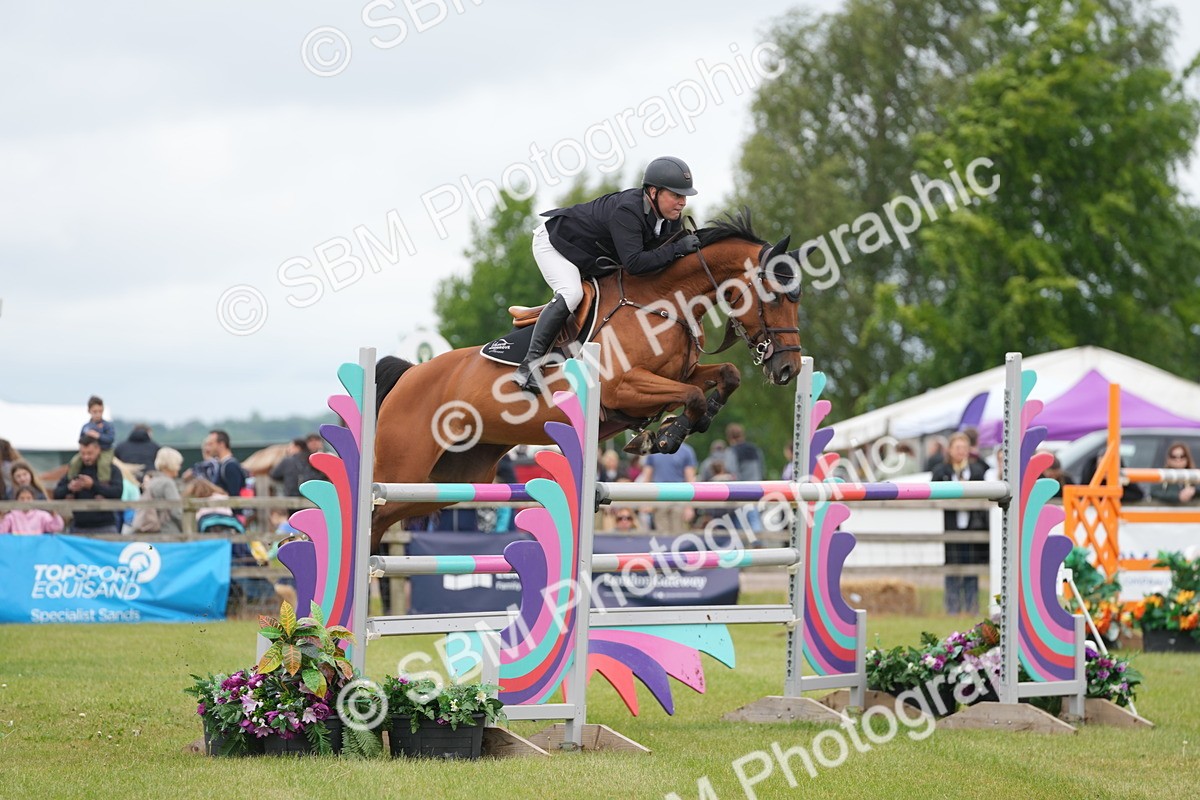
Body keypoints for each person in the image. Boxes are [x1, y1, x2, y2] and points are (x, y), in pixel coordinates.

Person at [513, 156, 701, 393]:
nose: (682, 202)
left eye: (684, 196)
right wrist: (676, 250)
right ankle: (529, 365)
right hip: (555, 244)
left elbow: (659, 255)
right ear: (653, 192)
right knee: (571, 293)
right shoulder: (628, 211)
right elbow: (634, 263)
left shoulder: (668, 219)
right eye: (676, 195)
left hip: (590, 256)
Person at [932, 432, 988, 615]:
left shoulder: (977, 471)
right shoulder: (941, 472)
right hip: (951, 526)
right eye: (957, 447)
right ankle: (953, 608)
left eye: (964, 448)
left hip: (973, 526)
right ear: (949, 449)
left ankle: (972, 607)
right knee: (952, 565)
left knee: (971, 567)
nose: (961, 451)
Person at [54, 437, 125, 532]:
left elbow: (118, 492)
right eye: (83, 453)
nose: (86, 457)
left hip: (104, 526)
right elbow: (57, 493)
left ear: (98, 449)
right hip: (78, 526)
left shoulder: (111, 470)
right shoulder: (74, 470)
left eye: (89, 453)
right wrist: (70, 488)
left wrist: (93, 486)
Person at [639, 443, 698, 535]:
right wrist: (646, 503)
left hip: (679, 500)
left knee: (679, 535)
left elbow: (690, 480)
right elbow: (646, 478)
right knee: (662, 536)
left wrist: (689, 507)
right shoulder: (653, 450)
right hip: (660, 499)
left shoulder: (686, 451)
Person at [133, 447, 184, 533]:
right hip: (168, 531)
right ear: (172, 464)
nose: (179, 467)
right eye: (178, 464)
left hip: (153, 530)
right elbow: (177, 512)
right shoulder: (168, 483)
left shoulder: (153, 481)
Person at [77, 395, 116, 479]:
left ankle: (104, 482)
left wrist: (98, 435)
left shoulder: (107, 425)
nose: (98, 414)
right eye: (95, 412)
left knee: (103, 464)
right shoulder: (86, 427)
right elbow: (80, 440)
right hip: (89, 452)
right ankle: (72, 479)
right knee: (75, 462)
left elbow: (111, 439)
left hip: (105, 451)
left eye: (100, 411)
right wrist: (87, 437)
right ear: (89, 411)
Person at [0, 486, 64, 534]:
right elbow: (2, 532)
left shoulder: (42, 515)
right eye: (22, 498)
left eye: (29, 498)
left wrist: (55, 515)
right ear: (17, 500)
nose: (25, 501)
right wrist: (1, 519)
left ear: (34, 499)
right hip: (17, 547)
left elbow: (56, 527)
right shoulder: (11, 516)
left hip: (36, 547)